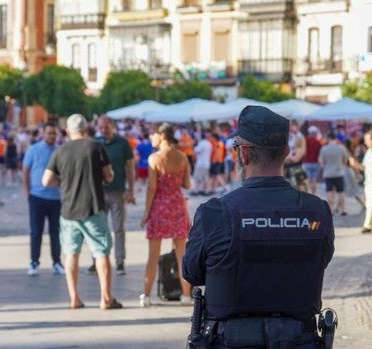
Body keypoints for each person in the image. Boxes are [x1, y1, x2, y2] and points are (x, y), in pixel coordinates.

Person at [183, 106, 334, 348]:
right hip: (299, 339)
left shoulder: (214, 212)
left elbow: (192, 273)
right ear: (285, 152)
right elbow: (320, 260)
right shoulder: (317, 211)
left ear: (243, 154)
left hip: (230, 340)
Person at [42, 114, 123, 310]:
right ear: (85, 129)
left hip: (69, 209)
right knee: (101, 251)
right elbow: (109, 175)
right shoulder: (96, 147)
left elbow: (46, 181)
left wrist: (64, 182)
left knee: (71, 253)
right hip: (93, 206)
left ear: (68, 131)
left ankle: (74, 298)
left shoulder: (60, 151)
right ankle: (106, 298)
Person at [139, 123, 192, 307]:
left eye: (153, 134)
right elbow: (187, 185)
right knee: (182, 254)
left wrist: (146, 212)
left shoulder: (155, 158)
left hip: (159, 207)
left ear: (162, 135)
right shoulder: (183, 157)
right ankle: (186, 295)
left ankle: (146, 296)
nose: (151, 138)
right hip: (177, 205)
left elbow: (152, 187)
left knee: (153, 255)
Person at [90, 116, 135, 275]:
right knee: (97, 227)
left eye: (106, 127)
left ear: (112, 126)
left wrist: (131, 190)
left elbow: (130, 167)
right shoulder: (94, 142)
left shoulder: (122, 143)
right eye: (101, 128)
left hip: (117, 190)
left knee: (118, 227)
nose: (103, 131)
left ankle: (120, 260)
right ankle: (96, 259)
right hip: (98, 191)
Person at [23, 122, 63, 276]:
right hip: (37, 196)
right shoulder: (33, 150)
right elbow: (26, 170)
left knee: (56, 232)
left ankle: (56, 262)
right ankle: (34, 261)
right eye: (49, 133)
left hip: (55, 197)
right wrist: (27, 192)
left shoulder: (59, 151)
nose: (52, 136)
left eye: (54, 133)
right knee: (36, 231)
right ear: (43, 133)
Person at [319, 131, 349, 215]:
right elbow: (345, 160)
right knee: (341, 192)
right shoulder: (341, 148)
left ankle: (330, 210)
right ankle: (343, 210)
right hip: (339, 172)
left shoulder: (324, 149)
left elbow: (321, 162)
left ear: (328, 138)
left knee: (329, 191)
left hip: (328, 173)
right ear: (335, 138)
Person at [360, 130, 372, 233]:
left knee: (371, 204)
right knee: (369, 204)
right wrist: (355, 165)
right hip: (369, 182)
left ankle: (368, 225)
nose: (365, 142)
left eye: (367, 139)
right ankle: (369, 224)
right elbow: (364, 167)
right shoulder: (369, 151)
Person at [303, 126, 322, 194]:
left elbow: (303, 151)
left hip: (307, 163)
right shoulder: (318, 142)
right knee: (314, 180)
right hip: (316, 163)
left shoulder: (305, 141)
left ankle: (308, 193)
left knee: (307, 179)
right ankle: (313, 194)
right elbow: (320, 153)